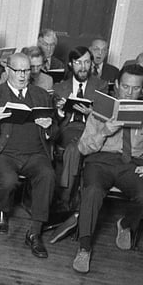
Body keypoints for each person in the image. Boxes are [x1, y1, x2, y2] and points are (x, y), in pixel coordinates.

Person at [72, 64, 143, 273]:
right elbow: (83, 147)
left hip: (131, 164)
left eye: (135, 88)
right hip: (99, 161)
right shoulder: (101, 110)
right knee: (92, 192)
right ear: (116, 85)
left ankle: (126, 225)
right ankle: (84, 247)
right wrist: (105, 130)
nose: (129, 93)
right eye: (125, 87)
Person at [0, 53, 57, 258]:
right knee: (9, 181)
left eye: (27, 70)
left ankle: (35, 232)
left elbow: (56, 132)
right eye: (17, 70)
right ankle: (3, 209)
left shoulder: (41, 95)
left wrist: (48, 128)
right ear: (7, 71)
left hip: (35, 153)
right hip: (4, 153)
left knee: (48, 175)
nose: (22, 75)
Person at [52, 47, 107, 218]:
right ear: (70, 64)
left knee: (73, 149)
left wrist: (91, 113)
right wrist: (59, 111)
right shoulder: (60, 87)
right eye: (78, 62)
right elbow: (53, 120)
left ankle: (64, 198)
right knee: (74, 147)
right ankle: (70, 199)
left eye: (87, 62)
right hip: (68, 128)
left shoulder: (101, 86)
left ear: (92, 64)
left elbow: (106, 117)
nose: (83, 67)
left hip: (89, 129)